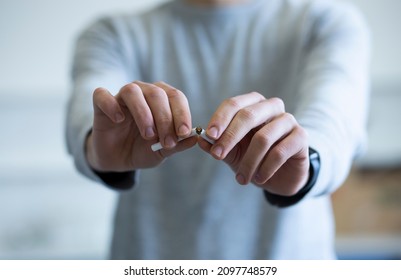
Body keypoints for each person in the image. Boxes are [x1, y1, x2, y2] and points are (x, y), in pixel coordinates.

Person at [66, 0, 370, 259]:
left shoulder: (326, 22)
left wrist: (307, 164)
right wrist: (97, 149)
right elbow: (85, 116)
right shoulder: (112, 35)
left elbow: (334, 125)